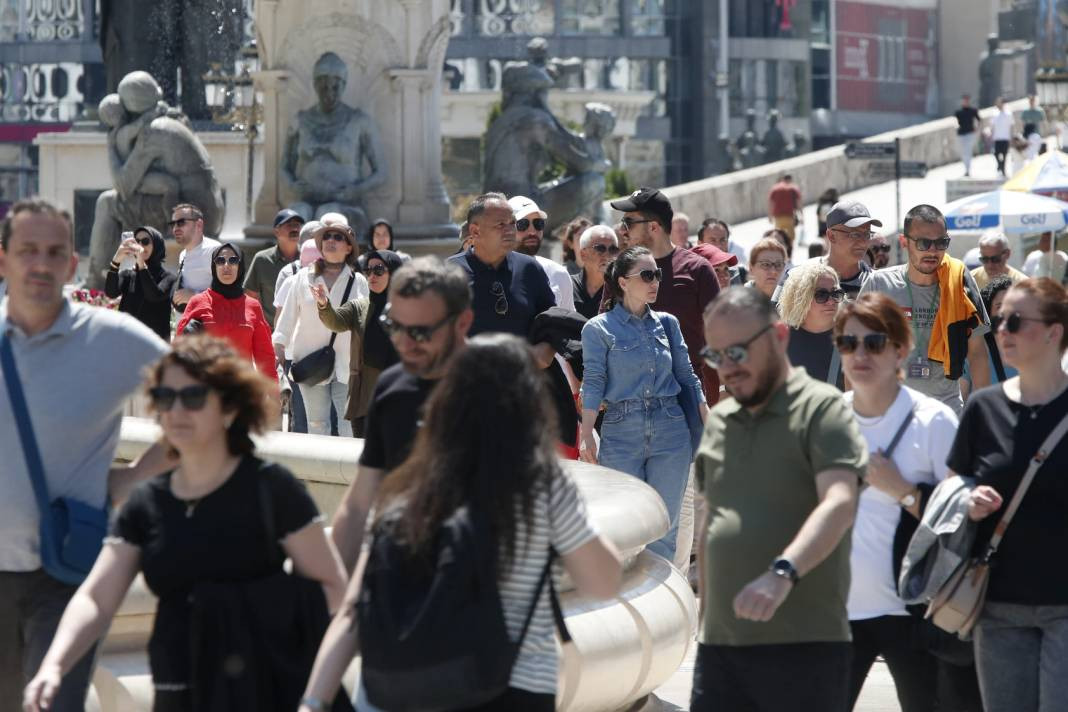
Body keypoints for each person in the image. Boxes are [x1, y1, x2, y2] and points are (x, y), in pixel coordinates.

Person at [23, 336, 348, 712]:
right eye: (165, 398)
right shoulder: (147, 503)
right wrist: (54, 664)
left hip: (266, 688)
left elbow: (332, 588)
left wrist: (314, 693)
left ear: (229, 407)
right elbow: (97, 598)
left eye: (193, 397)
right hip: (180, 690)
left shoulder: (272, 489)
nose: (176, 411)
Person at [300, 334, 623, 712]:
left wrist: (313, 701)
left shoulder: (408, 485)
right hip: (512, 691)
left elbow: (354, 609)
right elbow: (603, 582)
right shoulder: (540, 486)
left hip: (404, 691)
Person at [1, 198, 172, 710]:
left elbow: (213, 405)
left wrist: (133, 477)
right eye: (27, 250)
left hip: (68, 574)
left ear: (72, 263)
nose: (41, 264)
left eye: (55, 252)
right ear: (3, 258)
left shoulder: (113, 340)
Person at [692, 287, 866, 712]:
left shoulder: (822, 409)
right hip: (721, 650)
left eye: (737, 352)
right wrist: (706, 624)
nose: (727, 368)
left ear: (779, 337)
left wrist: (782, 572)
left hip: (803, 647)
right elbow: (711, 523)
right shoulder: (721, 422)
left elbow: (840, 501)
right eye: (716, 356)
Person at [835, 293, 961, 712]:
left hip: (913, 609)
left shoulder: (934, 421)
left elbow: (961, 522)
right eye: (848, 343)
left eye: (874, 343)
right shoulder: (827, 418)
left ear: (901, 350)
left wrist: (904, 491)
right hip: (836, 609)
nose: (859, 355)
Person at [948, 278, 1068, 712]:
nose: (1001, 330)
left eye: (1015, 321)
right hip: (996, 604)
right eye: (998, 320)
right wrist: (967, 500)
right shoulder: (983, 408)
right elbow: (953, 486)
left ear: (1054, 332)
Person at [328, 257, 474, 572]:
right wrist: (332, 586)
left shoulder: (497, 388)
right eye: (393, 326)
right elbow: (358, 505)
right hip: (395, 567)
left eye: (419, 332)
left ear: (462, 322)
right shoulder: (392, 388)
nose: (403, 344)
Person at [579, 246, 707, 561]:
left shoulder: (668, 323)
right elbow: (593, 381)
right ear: (623, 282)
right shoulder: (597, 328)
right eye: (647, 275)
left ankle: (664, 593)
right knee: (623, 530)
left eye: (658, 274)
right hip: (621, 432)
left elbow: (687, 376)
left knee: (665, 529)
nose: (656, 282)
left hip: (671, 429)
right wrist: (586, 433)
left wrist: (708, 420)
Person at [860, 204, 992, 413]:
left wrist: (984, 415)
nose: (933, 250)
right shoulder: (879, 284)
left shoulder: (959, 283)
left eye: (941, 243)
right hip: (891, 410)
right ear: (904, 242)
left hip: (945, 411)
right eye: (923, 243)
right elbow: (855, 350)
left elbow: (977, 353)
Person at [611, 187, 721, 404]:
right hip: (631, 398)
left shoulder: (697, 270)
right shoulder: (619, 271)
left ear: (653, 227)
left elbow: (720, 337)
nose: (623, 231)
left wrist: (720, 392)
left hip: (685, 397)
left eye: (629, 223)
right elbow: (605, 332)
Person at [273, 221, 368, 436]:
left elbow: (364, 324)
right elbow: (287, 318)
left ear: (349, 248)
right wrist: (278, 349)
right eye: (326, 237)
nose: (331, 241)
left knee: (348, 427)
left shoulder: (359, 281)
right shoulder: (302, 278)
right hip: (310, 363)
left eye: (338, 237)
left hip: (348, 365)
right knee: (316, 426)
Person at [313, 249, 402, 437]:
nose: (372, 276)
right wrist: (324, 304)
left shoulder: (409, 308)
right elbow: (335, 322)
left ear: (394, 273)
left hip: (397, 390)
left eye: (379, 270)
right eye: (368, 270)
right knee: (364, 448)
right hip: (364, 392)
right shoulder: (359, 306)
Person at [175, 243, 277, 381]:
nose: (226, 265)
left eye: (233, 260)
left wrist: (273, 390)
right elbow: (179, 348)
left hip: (243, 386)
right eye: (220, 260)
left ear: (240, 266)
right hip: (208, 386)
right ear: (214, 266)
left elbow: (265, 356)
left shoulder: (253, 306)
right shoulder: (197, 302)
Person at [774, 200, 879, 304]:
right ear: (831, 236)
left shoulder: (880, 283)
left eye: (867, 234)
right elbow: (774, 313)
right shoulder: (796, 277)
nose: (863, 242)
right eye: (855, 235)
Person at [777, 261, 846, 389]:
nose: (831, 301)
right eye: (821, 295)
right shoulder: (779, 340)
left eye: (835, 293)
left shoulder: (852, 339)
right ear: (801, 297)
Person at [104, 225, 177, 341]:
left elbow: (153, 295)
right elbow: (111, 293)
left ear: (156, 245)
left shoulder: (168, 277)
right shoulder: (128, 275)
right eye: (137, 242)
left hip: (154, 344)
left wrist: (141, 264)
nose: (140, 246)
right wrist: (116, 261)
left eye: (145, 241)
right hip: (126, 341)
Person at [508, 195, 576, 312]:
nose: (532, 231)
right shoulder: (491, 272)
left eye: (538, 223)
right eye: (522, 224)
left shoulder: (558, 273)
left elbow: (568, 320)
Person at [244, 208, 304, 328]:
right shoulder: (262, 259)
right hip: (271, 331)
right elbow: (250, 297)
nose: (295, 229)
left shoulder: (308, 259)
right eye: (289, 225)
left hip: (302, 332)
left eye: (297, 225)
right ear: (276, 231)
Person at [168, 203, 221, 313]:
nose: (175, 228)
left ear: (199, 225)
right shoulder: (183, 254)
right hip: (186, 321)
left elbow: (228, 293)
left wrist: (194, 296)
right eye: (173, 224)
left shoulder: (214, 250)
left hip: (209, 322)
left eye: (181, 222)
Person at [571, 224, 619, 320]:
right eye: (600, 248)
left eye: (613, 249)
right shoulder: (568, 285)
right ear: (583, 254)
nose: (607, 255)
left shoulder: (622, 290)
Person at [980, 276, 1018, 383]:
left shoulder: (1034, 350)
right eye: (999, 307)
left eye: (1011, 305)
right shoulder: (976, 352)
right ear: (988, 312)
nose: (1005, 311)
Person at [697, 218, 747, 284]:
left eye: (723, 240)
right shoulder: (691, 278)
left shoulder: (738, 276)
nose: (719, 246)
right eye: (713, 240)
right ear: (700, 244)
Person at [767, 174, 802, 245]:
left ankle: (781, 248)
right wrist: (801, 214)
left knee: (778, 236)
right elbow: (798, 202)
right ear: (789, 180)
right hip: (789, 216)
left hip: (778, 217)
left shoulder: (775, 188)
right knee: (791, 237)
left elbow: (771, 203)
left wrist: (770, 216)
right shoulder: (792, 188)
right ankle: (790, 249)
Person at [955, 94, 981, 177]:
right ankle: (966, 168)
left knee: (968, 151)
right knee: (963, 152)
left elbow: (979, 120)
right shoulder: (958, 112)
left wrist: (976, 129)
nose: (965, 102)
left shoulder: (973, 111)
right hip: (961, 134)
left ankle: (967, 169)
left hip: (970, 133)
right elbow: (955, 122)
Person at [990, 97, 1013, 177]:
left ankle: (1003, 170)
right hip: (997, 138)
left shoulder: (1008, 114)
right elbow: (992, 126)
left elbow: (1011, 126)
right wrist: (991, 135)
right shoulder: (994, 114)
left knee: (1004, 155)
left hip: (1005, 137)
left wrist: (1011, 137)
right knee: (996, 153)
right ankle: (1000, 165)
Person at [1020, 94, 1046, 161]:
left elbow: (1043, 123)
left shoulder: (1039, 111)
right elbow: (1022, 124)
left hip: (1038, 134)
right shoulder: (1025, 112)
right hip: (1029, 135)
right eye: (1030, 101)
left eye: (1033, 101)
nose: (1031, 102)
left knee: (1041, 153)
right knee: (1031, 154)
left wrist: (1044, 135)